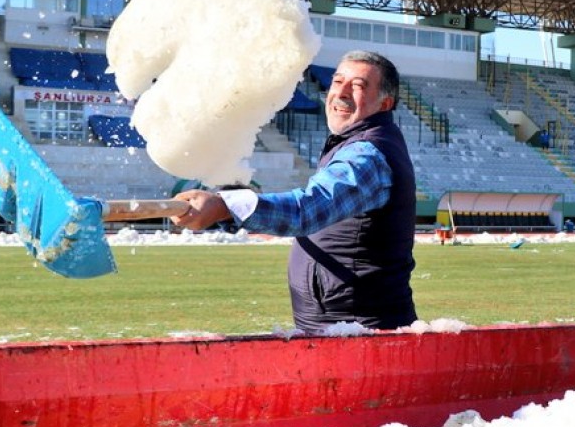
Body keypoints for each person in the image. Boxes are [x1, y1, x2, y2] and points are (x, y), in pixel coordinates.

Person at [172, 50, 417, 333]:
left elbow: (307, 210)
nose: (342, 93)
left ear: (384, 103)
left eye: (359, 86)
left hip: (359, 330)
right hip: (344, 325)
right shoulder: (358, 143)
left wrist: (225, 206)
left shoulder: (367, 155)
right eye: (338, 82)